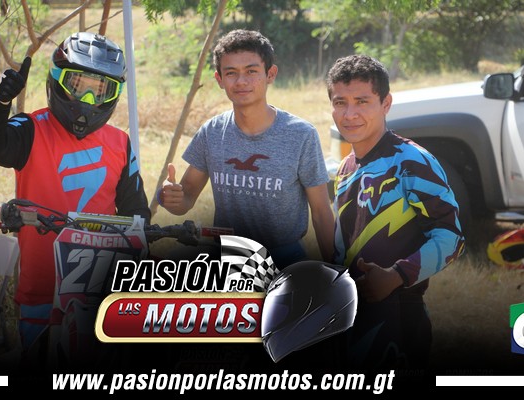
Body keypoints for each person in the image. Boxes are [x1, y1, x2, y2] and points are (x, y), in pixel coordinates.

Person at [0, 32, 150, 367]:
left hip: (100, 288)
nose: (88, 99)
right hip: (41, 287)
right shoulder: (30, 128)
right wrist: (1, 102)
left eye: (100, 90)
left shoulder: (120, 142)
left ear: (115, 94)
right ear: (56, 80)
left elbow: (137, 211)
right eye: (78, 85)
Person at [325, 54, 465, 371]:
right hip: (353, 318)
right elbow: (342, 248)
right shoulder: (345, 168)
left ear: (386, 103)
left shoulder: (412, 160)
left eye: (362, 101)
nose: (349, 114)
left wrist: (396, 275)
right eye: (340, 103)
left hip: (401, 319)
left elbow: (452, 236)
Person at [158, 29, 335, 269]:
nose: (241, 81)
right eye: (231, 73)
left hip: (285, 259)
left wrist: (335, 271)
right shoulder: (212, 132)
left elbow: (322, 212)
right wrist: (171, 197)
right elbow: (186, 198)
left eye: (251, 71)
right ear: (220, 79)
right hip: (227, 258)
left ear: (270, 74)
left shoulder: (301, 135)